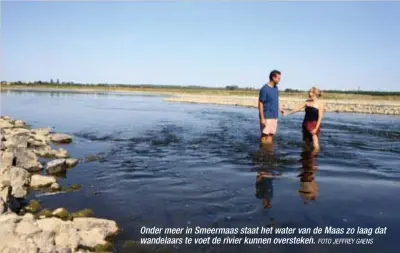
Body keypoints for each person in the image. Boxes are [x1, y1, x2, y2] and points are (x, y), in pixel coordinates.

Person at [258, 70, 285, 145]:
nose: (280, 80)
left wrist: (280, 108)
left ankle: (269, 152)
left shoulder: (276, 88)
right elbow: (260, 104)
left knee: (271, 135)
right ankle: (263, 152)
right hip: (266, 116)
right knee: (264, 135)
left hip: (275, 116)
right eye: (278, 78)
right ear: (273, 77)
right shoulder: (264, 89)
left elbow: (276, 100)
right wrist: (262, 118)